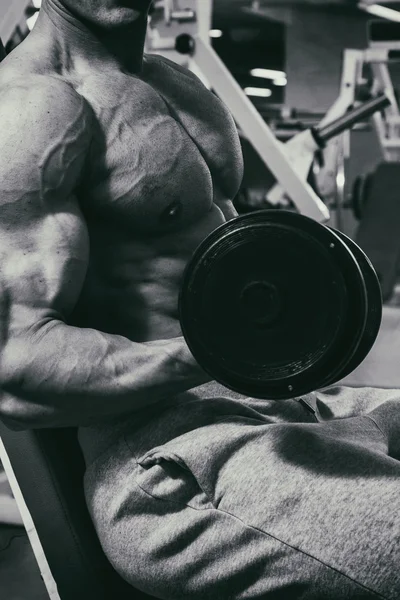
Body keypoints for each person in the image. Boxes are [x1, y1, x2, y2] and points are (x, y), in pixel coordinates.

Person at [0, 1, 399, 598]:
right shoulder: (34, 108)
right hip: (174, 463)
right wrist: (221, 350)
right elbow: (17, 368)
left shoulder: (173, 81)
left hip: (281, 411)